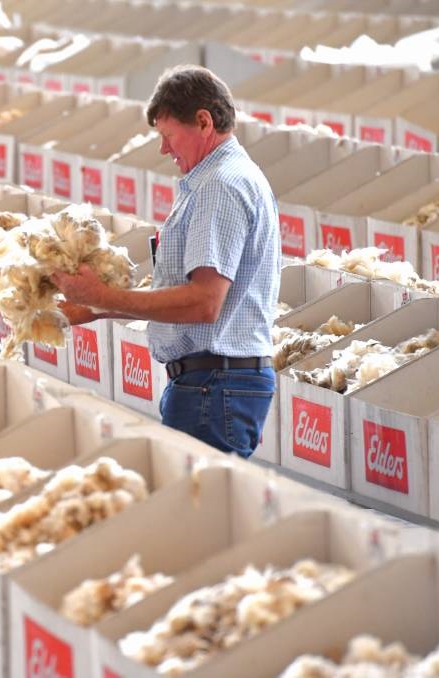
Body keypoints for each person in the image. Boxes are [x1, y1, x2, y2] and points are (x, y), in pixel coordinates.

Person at [53, 65, 280, 458]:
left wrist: (102, 295)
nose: (163, 149)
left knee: (195, 496)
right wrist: (94, 306)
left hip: (214, 386)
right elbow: (190, 296)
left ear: (204, 122)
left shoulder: (220, 186)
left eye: (168, 135)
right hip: (215, 384)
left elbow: (204, 303)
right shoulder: (222, 178)